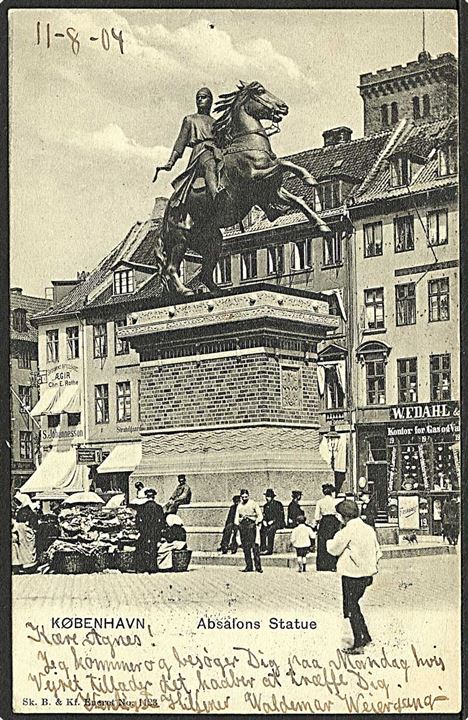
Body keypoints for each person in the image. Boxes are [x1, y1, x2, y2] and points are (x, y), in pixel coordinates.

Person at [154, 87, 225, 212]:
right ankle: (216, 195)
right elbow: (180, 143)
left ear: (210, 100)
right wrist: (170, 162)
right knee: (210, 164)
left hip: (216, 151)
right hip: (201, 152)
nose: (199, 100)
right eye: (198, 98)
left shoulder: (216, 123)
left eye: (203, 97)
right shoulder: (190, 120)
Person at [327, 499, 382, 654]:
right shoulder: (368, 529)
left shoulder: (347, 530)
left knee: (351, 607)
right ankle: (365, 636)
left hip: (351, 574)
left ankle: (359, 642)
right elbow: (378, 551)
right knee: (354, 605)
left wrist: (332, 537)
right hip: (366, 574)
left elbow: (333, 549)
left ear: (344, 516)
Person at [135, 489, 165, 573]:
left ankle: (142, 567)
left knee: (142, 548)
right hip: (155, 531)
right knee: (153, 548)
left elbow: (137, 520)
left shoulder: (141, 507)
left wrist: (141, 529)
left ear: (146, 496)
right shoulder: (158, 507)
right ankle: (153, 567)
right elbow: (162, 521)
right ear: (154, 496)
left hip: (144, 531)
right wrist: (158, 530)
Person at [234, 489, 263, 573]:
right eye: (243, 497)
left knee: (255, 547)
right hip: (243, 527)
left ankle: (258, 567)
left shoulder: (253, 504)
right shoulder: (239, 506)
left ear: (248, 496)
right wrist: (238, 524)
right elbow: (236, 518)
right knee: (246, 548)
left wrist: (256, 522)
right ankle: (249, 566)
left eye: (246, 497)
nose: (244, 498)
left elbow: (260, 515)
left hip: (252, 526)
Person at [315, 483, 341, 571]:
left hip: (324, 522)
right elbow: (338, 514)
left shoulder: (320, 502)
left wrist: (317, 524)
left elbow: (317, 516)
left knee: (323, 543)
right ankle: (333, 565)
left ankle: (322, 565)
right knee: (333, 542)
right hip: (333, 522)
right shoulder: (335, 501)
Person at [14, 504, 39, 574]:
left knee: (23, 549)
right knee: (29, 549)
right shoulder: (31, 515)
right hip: (27, 531)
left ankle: (25, 564)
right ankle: (29, 563)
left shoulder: (19, 525)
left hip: (23, 532)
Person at [260, 489, 285, 555]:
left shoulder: (278, 504)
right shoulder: (265, 506)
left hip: (278, 523)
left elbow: (280, 516)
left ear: (272, 497)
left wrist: (273, 521)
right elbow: (264, 515)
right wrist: (264, 521)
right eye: (266, 496)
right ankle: (263, 548)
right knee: (262, 529)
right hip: (268, 523)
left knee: (271, 530)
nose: (267, 498)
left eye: (268, 496)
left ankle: (269, 549)